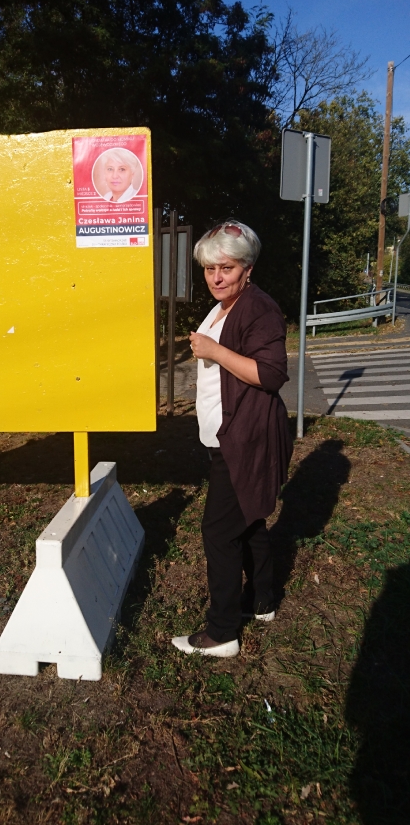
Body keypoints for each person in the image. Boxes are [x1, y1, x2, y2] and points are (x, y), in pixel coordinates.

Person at [171, 220, 293, 658]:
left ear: (248, 268)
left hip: (246, 438)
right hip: (226, 434)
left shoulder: (259, 309)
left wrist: (214, 351)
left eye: (226, 268)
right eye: (210, 269)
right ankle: (262, 600)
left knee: (219, 532)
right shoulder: (225, 305)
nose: (217, 277)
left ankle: (221, 633)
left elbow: (271, 374)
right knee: (250, 518)